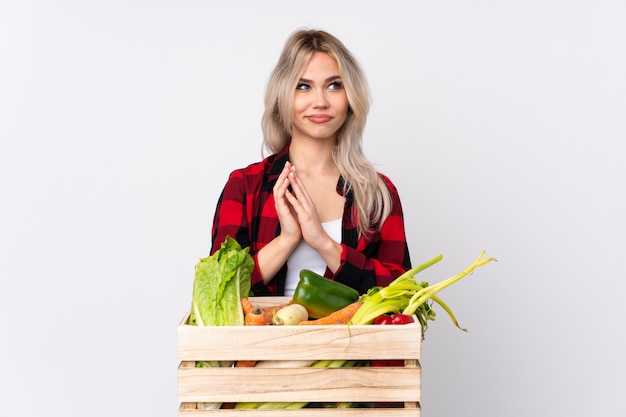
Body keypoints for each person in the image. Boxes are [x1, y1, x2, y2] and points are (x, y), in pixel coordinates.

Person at [210, 28, 411, 296]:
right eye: (303, 86)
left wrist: (324, 243)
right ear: (283, 96)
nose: (320, 101)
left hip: (356, 339)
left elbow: (403, 295)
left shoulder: (378, 193)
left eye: (334, 85)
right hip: (264, 338)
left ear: (350, 98)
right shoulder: (245, 186)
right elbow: (217, 294)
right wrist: (286, 240)